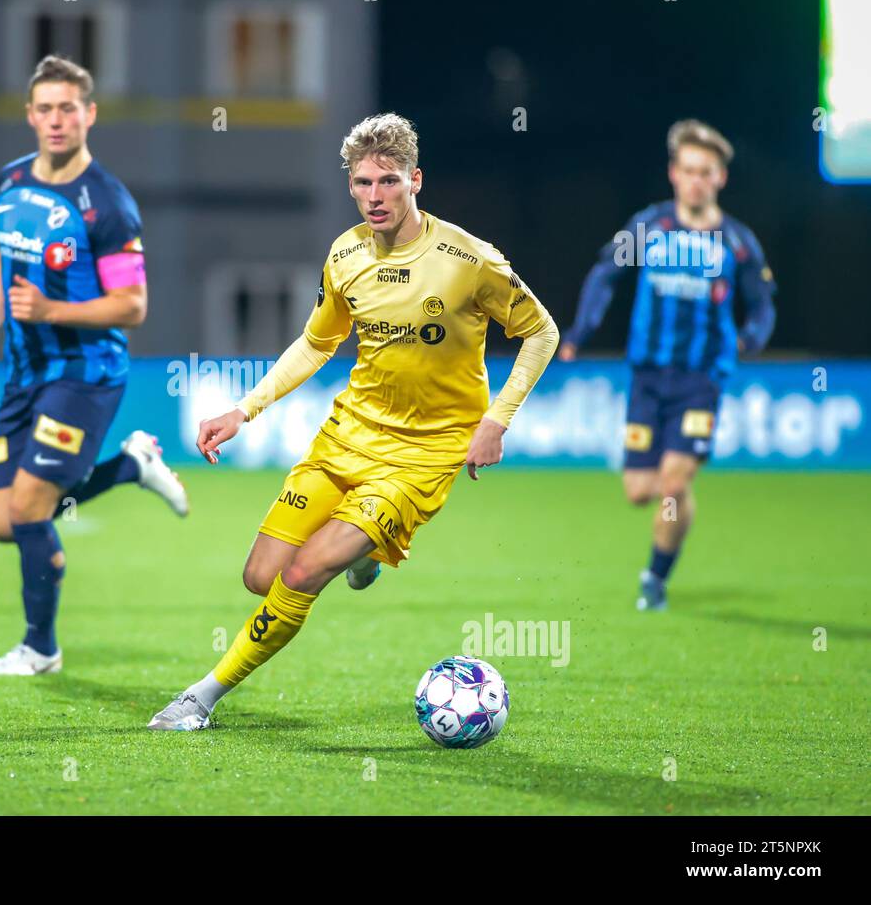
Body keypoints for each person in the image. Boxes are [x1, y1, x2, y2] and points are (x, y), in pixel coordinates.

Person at [148, 113, 558, 730]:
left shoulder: (469, 260)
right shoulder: (344, 254)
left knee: (305, 571)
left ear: (415, 180)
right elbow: (316, 344)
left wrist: (497, 419)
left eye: (388, 182)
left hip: (424, 456)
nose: (374, 196)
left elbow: (541, 331)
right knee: (261, 577)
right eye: (362, 183)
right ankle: (364, 557)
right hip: (347, 438)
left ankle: (200, 697)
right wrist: (243, 408)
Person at [0, 56, 188, 677]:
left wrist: (53, 308)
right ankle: (129, 467)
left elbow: (133, 305)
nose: (56, 120)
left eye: (68, 108)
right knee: (4, 523)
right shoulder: (10, 182)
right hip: (24, 374)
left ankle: (40, 648)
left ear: (89, 115)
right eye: (45, 108)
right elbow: (4, 266)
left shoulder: (107, 204)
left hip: (85, 374)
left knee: (31, 508)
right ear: (30, 115)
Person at [558, 119, 776, 611]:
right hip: (647, 378)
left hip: (701, 379)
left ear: (720, 178)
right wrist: (579, 333)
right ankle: (673, 506)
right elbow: (605, 275)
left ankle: (654, 580)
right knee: (640, 491)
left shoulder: (736, 241)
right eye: (688, 170)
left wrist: (751, 339)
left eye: (707, 171)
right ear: (674, 174)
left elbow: (762, 303)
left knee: (675, 484)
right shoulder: (649, 227)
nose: (697, 180)